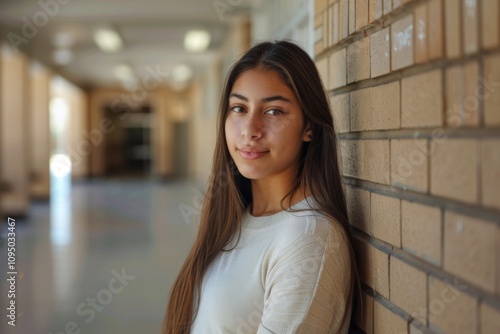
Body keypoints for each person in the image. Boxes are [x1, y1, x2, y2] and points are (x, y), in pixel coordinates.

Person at [163, 40, 359, 334]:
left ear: (309, 127)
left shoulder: (309, 238)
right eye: (239, 108)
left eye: (273, 111)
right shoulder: (235, 217)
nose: (250, 130)